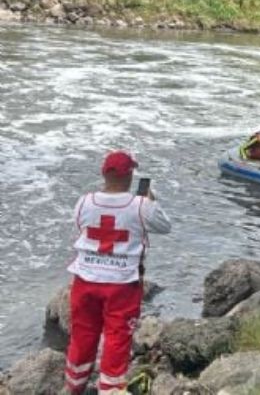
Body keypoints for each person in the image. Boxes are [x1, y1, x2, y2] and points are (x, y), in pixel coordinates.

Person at [64, 151, 171, 394]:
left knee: (82, 334)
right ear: (130, 175)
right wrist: (151, 201)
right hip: (122, 283)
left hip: (85, 279)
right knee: (117, 337)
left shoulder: (84, 201)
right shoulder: (140, 206)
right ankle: (110, 389)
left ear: (104, 173)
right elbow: (165, 226)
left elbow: (79, 225)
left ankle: (74, 386)